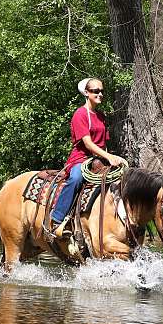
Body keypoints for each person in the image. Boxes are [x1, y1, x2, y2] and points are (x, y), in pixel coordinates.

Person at [51, 77, 126, 238]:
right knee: (76, 178)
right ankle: (57, 219)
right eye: (95, 91)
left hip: (99, 160)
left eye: (101, 91)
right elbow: (88, 143)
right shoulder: (80, 114)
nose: (100, 94)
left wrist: (110, 160)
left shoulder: (100, 116)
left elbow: (103, 144)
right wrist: (109, 156)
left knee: (121, 180)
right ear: (86, 93)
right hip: (81, 158)